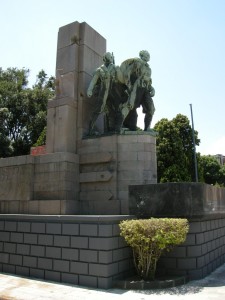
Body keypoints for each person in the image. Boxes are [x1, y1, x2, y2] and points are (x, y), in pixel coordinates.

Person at [123, 50, 155, 131]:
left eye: (148, 54)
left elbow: (148, 81)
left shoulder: (149, 69)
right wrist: (129, 86)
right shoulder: (137, 63)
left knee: (151, 109)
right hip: (136, 88)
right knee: (131, 108)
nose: (148, 55)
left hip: (145, 90)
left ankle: (147, 128)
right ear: (142, 55)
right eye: (146, 54)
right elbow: (127, 73)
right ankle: (128, 127)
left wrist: (152, 89)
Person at [87, 52, 117, 134]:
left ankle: (112, 128)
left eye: (111, 57)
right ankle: (90, 129)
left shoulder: (114, 67)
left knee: (114, 110)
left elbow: (119, 77)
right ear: (105, 58)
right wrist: (90, 90)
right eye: (109, 56)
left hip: (112, 93)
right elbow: (94, 81)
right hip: (103, 92)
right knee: (98, 110)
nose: (111, 58)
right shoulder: (99, 70)